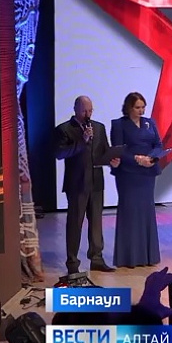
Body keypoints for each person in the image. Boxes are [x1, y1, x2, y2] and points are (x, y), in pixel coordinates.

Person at [54, 95, 119, 274]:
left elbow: (104, 151)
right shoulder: (64, 129)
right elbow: (60, 153)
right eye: (84, 111)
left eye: (90, 110)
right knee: (75, 224)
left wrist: (111, 161)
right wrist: (82, 140)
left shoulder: (99, 127)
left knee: (96, 223)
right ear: (75, 109)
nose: (88, 114)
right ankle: (72, 263)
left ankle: (97, 259)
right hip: (77, 184)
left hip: (96, 183)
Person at [110, 91, 162, 268]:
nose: (141, 111)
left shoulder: (150, 123)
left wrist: (151, 158)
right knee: (130, 212)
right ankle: (129, 257)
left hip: (147, 174)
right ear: (129, 108)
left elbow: (158, 144)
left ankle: (148, 256)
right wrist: (136, 159)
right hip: (128, 174)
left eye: (143, 107)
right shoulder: (119, 125)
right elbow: (118, 149)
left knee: (146, 212)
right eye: (137, 107)